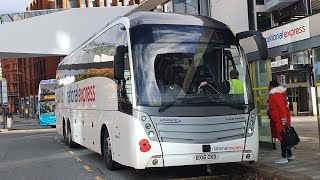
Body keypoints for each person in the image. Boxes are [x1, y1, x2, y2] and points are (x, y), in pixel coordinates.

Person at [268, 80, 294, 164]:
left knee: (282, 137)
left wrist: (283, 121)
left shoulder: (276, 95)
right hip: (280, 120)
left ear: (271, 87)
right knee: (284, 137)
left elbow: (281, 109)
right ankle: (289, 154)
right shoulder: (278, 95)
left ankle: (283, 156)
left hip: (280, 120)